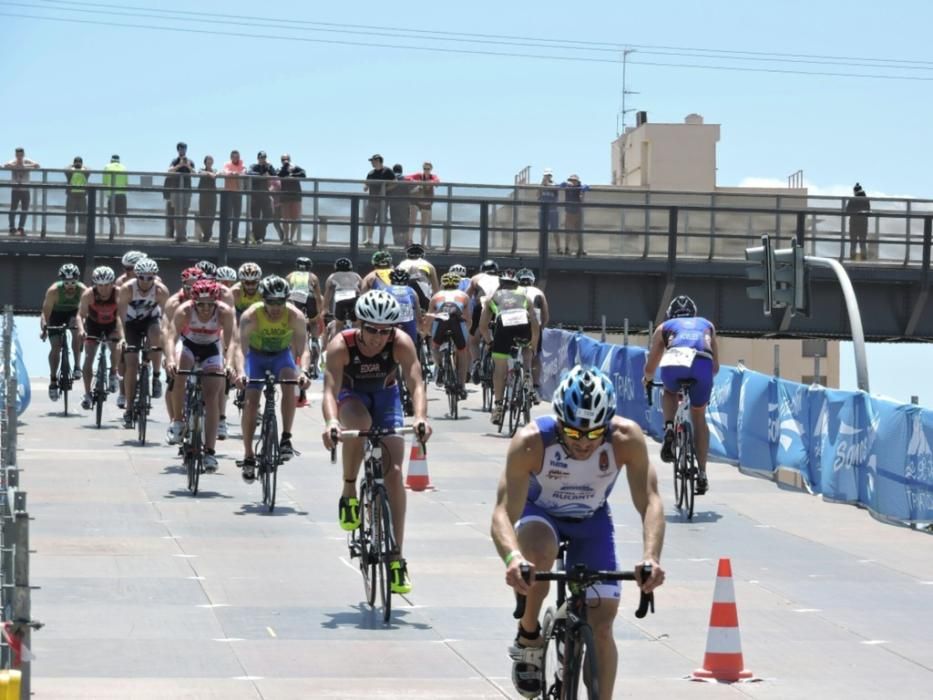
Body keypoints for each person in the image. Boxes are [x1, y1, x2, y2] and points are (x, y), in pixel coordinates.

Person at [490, 365, 666, 699]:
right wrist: (513, 558)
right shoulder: (530, 442)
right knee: (538, 557)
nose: (584, 443)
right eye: (573, 434)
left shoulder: (626, 438)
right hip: (540, 513)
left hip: (591, 519)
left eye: (593, 434)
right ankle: (529, 635)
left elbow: (651, 501)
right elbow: (502, 512)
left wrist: (650, 558)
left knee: (602, 625)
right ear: (558, 422)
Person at [320, 290, 432, 595]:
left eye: (385, 332)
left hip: (386, 397)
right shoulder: (341, 345)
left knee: (394, 472)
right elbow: (329, 389)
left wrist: (420, 417)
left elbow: (416, 381)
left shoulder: (400, 342)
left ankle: (396, 559)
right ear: (359, 324)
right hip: (351, 396)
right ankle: (349, 490)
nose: (377, 338)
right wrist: (331, 422)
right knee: (361, 426)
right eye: (371, 330)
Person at [233, 276, 311, 480]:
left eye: (280, 302)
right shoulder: (251, 316)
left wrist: (303, 371)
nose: (276, 308)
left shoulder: (295, 316)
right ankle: (249, 455)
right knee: (250, 403)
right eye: (271, 302)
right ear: (263, 299)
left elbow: (304, 349)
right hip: (256, 358)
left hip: (281, 357)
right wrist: (240, 372)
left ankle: (286, 438)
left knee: (290, 382)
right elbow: (240, 350)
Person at [642, 294, 719, 495]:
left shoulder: (664, 327)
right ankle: (702, 473)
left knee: (669, 391)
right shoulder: (707, 325)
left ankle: (669, 429)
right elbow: (716, 367)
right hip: (703, 363)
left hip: (675, 363)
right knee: (699, 417)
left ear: (670, 315)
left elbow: (650, 367)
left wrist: (648, 380)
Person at [164, 280, 236, 472]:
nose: (205, 309)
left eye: (210, 304)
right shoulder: (184, 310)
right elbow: (171, 337)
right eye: (201, 304)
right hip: (188, 346)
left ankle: (210, 451)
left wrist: (229, 364)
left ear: (216, 302)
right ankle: (178, 421)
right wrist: (170, 359)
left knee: (212, 396)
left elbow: (231, 343)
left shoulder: (225, 312)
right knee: (180, 373)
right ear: (193, 302)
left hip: (212, 348)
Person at [479, 269, 539, 425]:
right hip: (523, 324)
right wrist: (533, 346)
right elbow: (535, 324)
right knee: (526, 347)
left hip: (503, 326)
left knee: (500, 367)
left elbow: (483, 326)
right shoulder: (525, 295)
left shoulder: (492, 296)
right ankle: (527, 375)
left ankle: (498, 407)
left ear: (501, 283)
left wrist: (490, 342)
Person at [116, 258, 170, 428]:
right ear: (136, 276)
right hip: (131, 323)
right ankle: (129, 408)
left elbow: (166, 319)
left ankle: (155, 376)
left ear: (155, 278)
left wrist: (164, 343)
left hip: (150, 321)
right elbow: (120, 318)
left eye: (150, 278)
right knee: (131, 364)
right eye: (142, 278)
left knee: (157, 333)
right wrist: (123, 339)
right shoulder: (127, 289)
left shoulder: (161, 290)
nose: (146, 282)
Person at [75, 266, 123, 410]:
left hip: (113, 324)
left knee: (116, 347)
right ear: (95, 284)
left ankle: (113, 372)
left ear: (112, 284)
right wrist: (82, 330)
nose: (103, 289)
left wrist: (121, 336)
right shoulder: (89, 294)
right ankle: (87, 393)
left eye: (107, 285)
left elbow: (121, 315)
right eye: (100, 285)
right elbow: (80, 315)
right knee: (89, 357)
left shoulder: (118, 293)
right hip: (93, 324)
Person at [39, 263, 85, 400]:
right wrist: (44, 329)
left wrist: (84, 328)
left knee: (77, 331)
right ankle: (53, 380)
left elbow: (87, 312)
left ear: (77, 280)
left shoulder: (83, 290)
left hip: (73, 314)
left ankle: (77, 365)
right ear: (61, 281)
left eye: (73, 282)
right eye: (66, 282)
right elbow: (45, 314)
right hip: (56, 315)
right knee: (56, 346)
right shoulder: (53, 291)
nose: (70, 285)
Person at [427, 272, 470, 396]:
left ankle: (440, 367)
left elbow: (430, 316)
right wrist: (466, 330)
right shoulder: (464, 295)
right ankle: (462, 386)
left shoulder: (436, 296)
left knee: (434, 346)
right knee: (462, 352)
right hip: (457, 323)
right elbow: (468, 318)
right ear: (458, 284)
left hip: (441, 322)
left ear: (443, 284)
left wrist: (428, 332)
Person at [286, 257, 325, 384]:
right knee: (313, 323)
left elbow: (285, 293)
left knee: (293, 326)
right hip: (309, 297)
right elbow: (318, 296)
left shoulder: (290, 275)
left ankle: (292, 355)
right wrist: (319, 313)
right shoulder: (313, 276)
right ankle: (314, 341)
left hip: (294, 297)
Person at [517, 268, 549, 404]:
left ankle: (510, 381)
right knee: (535, 356)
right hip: (533, 325)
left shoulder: (513, 291)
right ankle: (535, 387)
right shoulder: (538, 292)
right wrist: (540, 329)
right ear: (532, 281)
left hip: (514, 323)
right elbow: (546, 316)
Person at [468, 259, 501, 381]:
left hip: (481, 306)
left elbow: (466, 297)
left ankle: (476, 362)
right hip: (498, 306)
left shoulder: (477, 278)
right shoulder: (501, 278)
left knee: (473, 340)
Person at [3, 147, 39, 236]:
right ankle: (12, 228)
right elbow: (5, 165)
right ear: (15, 155)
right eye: (17, 154)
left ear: (23, 154)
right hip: (15, 189)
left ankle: (21, 228)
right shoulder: (13, 161)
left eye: (21, 154)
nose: (19, 156)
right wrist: (16, 166)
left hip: (25, 189)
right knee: (13, 209)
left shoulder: (27, 161)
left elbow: (37, 165)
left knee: (24, 210)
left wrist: (24, 167)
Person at [323, 257, 363, 337]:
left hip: (340, 299)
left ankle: (335, 344)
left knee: (338, 325)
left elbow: (328, 293)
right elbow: (363, 290)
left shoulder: (332, 276)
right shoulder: (356, 275)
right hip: (355, 298)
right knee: (357, 325)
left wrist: (325, 308)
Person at [362, 154, 395, 247]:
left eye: (373, 161)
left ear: (378, 161)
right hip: (371, 200)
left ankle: (381, 241)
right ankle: (369, 239)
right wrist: (365, 186)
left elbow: (395, 183)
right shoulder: (371, 173)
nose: (372, 163)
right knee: (369, 219)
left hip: (383, 201)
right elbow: (367, 183)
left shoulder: (387, 171)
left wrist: (385, 189)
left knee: (382, 221)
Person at [396, 243, 439, 313]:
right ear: (422, 255)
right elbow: (436, 289)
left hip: (404, 292)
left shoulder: (401, 265)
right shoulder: (429, 265)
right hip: (422, 294)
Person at [407, 161, 439, 248]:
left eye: (428, 169)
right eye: (424, 168)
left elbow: (437, 181)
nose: (426, 170)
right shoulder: (419, 175)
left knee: (424, 223)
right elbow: (407, 177)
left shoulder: (433, 176)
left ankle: (422, 243)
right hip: (416, 200)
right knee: (412, 220)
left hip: (427, 202)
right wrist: (416, 182)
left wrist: (428, 183)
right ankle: (409, 241)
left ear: (431, 169)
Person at [167, 142, 195, 242]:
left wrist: (187, 165)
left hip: (187, 189)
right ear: (178, 150)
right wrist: (179, 165)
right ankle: (177, 234)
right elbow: (169, 171)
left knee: (185, 212)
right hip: (176, 189)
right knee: (176, 213)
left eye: (184, 149)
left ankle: (183, 234)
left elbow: (194, 173)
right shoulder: (175, 161)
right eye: (181, 149)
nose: (182, 151)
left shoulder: (190, 161)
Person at [248, 151, 277, 244]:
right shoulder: (254, 166)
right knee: (255, 217)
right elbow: (250, 173)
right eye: (261, 157)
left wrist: (269, 167)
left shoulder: (268, 166)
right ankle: (256, 238)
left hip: (265, 195)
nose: (262, 159)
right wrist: (262, 175)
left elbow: (275, 174)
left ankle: (260, 236)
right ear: (258, 158)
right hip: (255, 195)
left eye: (264, 157)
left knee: (268, 216)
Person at [278, 154, 306, 244]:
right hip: (285, 196)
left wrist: (292, 174)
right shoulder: (280, 169)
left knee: (295, 218)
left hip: (296, 196)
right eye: (283, 159)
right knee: (285, 218)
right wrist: (285, 169)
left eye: (287, 159)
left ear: (290, 159)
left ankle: (291, 238)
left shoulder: (295, 167)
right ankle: (286, 238)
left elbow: (303, 174)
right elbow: (279, 175)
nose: (285, 161)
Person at [560, 174, 590, 256]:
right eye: (571, 180)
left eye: (574, 180)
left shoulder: (580, 188)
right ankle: (566, 249)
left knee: (579, 232)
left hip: (578, 212)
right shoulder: (567, 187)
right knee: (568, 232)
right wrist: (561, 185)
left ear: (578, 181)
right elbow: (559, 186)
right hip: (569, 212)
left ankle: (580, 249)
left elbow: (582, 199)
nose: (572, 182)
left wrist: (584, 189)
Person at [221, 150, 246, 242]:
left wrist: (235, 173)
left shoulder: (241, 164)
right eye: (234, 157)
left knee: (237, 216)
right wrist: (234, 173)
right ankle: (226, 235)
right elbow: (226, 172)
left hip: (238, 193)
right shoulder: (227, 164)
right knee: (228, 215)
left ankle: (234, 236)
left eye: (237, 157)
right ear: (231, 157)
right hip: (228, 192)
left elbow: (243, 172)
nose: (236, 158)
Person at [102, 154, 128, 239]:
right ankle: (121, 237)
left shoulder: (107, 167)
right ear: (119, 160)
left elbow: (104, 183)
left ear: (111, 160)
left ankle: (113, 235)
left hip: (111, 195)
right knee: (121, 218)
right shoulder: (124, 168)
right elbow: (126, 183)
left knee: (111, 217)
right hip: (122, 195)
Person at [388, 163, 413, 247]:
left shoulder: (391, 179)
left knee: (395, 224)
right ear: (401, 170)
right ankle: (406, 243)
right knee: (405, 223)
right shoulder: (406, 179)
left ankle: (397, 243)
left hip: (393, 204)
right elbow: (412, 190)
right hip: (404, 205)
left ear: (393, 170)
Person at [65, 156, 90, 237]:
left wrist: (72, 166)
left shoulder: (70, 171)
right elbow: (89, 169)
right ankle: (82, 234)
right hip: (82, 196)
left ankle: (69, 234)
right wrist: (83, 166)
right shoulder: (85, 171)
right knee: (82, 216)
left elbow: (65, 169)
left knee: (70, 215)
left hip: (71, 195)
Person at [846, 182, 871, 261]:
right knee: (862, 243)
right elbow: (868, 212)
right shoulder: (866, 200)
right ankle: (863, 258)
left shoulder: (852, 200)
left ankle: (852, 258)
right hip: (863, 224)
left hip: (853, 224)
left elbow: (847, 211)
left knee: (853, 243)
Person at [196, 156, 218, 242]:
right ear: (205, 162)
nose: (209, 162)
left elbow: (215, 175)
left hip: (212, 196)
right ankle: (205, 234)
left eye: (211, 160)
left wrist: (210, 174)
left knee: (211, 215)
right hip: (203, 195)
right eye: (208, 160)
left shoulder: (214, 170)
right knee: (203, 214)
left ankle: (208, 235)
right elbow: (200, 173)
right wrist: (209, 174)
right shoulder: (201, 169)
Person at [537, 169, 559, 253]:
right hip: (542, 211)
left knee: (555, 230)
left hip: (553, 211)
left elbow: (555, 188)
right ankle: (540, 249)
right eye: (546, 175)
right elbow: (538, 196)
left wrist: (547, 184)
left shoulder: (554, 184)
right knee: (542, 230)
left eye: (549, 175)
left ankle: (558, 248)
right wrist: (542, 186)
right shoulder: (541, 186)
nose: (547, 177)